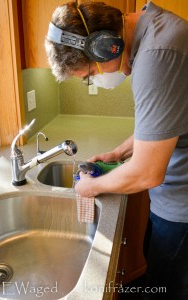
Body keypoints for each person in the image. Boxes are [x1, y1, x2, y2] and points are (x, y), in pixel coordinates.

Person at [45, 2, 188, 299]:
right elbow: (161, 124)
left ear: (105, 47)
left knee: (170, 288)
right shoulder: (156, 30)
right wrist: (118, 153)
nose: (93, 80)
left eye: (87, 75)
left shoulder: (156, 58)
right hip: (174, 199)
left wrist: (91, 187)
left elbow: (148, 172)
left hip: (183, 208)